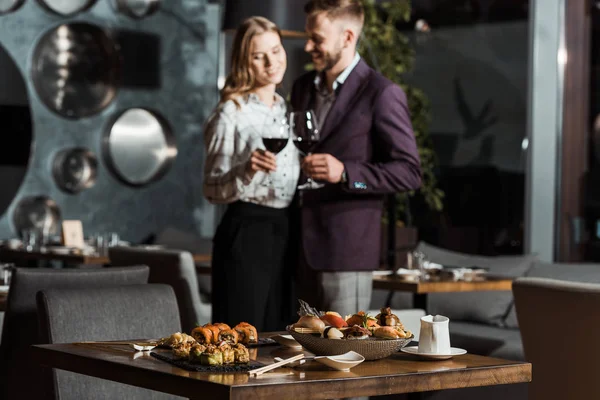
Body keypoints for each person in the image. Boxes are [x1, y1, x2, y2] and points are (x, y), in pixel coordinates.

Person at [290, 0, 422, 317]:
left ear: (347, 37)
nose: (308, 46)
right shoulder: (302, 87)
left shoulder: (382, 93)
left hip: (346, 253)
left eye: (317, 38)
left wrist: (347, 173)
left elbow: (409, 172)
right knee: (295, 356)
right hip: (295, 249)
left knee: (341, 357)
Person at [203, 16, 300, 332]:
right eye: (259, 56)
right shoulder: (230, 112)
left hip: (286, 231)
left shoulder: (287, 110)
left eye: (276, 50)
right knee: (241, 336)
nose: (272, 62)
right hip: (246, 233)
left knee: (281, 338)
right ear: (245, 62)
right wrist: (246, 171)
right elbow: (211, 188)